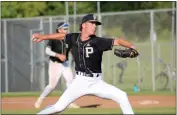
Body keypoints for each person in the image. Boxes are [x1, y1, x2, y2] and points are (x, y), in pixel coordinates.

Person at [32, 14, 136, 114]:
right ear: (84, 25)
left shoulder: (98, 41)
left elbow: (117, 41)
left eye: (96, 24)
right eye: (92, 23)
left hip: (97, 82)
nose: (94, 26)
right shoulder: (73, 38)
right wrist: (42, 37)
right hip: (80, 82)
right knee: (58, 108)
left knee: (122, 96)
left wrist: (132, 47)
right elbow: (62, 36)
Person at [34, 22, 80, 109]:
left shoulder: (68, 39)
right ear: (59, 30)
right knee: (52, 86)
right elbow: (47, 51)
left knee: (70, 83)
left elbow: (70, 50)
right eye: (64, 29)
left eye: (67, 29)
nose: (66, 31)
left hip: (65, 64)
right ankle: (40, 99)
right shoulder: (53, 38)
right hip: (55, 64)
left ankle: (70, 102)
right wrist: (58, 55)